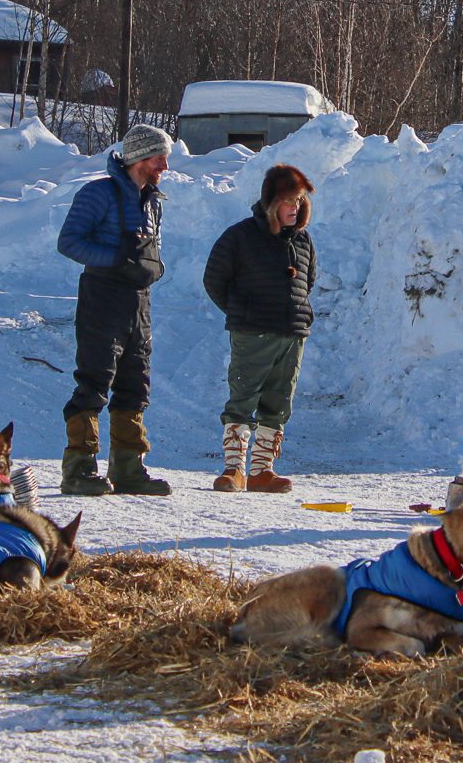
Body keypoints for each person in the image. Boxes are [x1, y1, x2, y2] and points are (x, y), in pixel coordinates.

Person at [54, 124, 173, 497]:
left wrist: (153, 266)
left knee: (135, 384)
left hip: (138, 301)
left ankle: (128, 468)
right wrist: (115, 259)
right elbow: (69, 242)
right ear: (138, 157)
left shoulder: (153, 201)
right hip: (102, 295)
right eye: (158, 158)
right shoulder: (97, 193)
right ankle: (79, 468)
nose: (164, 167)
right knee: (94, 380)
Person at [201, 164, 317, 493]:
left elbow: (307, 282)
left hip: (292, 333)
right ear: (271, 202)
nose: (295, 207)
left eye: (299, 201)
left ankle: (262, 470)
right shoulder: (240, 236)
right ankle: (234, 469)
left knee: (278, 402)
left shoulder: (304, 241)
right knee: (243, 398)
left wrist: (297, 313)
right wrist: (243, 311)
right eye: (288, 201)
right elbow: (214, 280)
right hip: (253, 332)